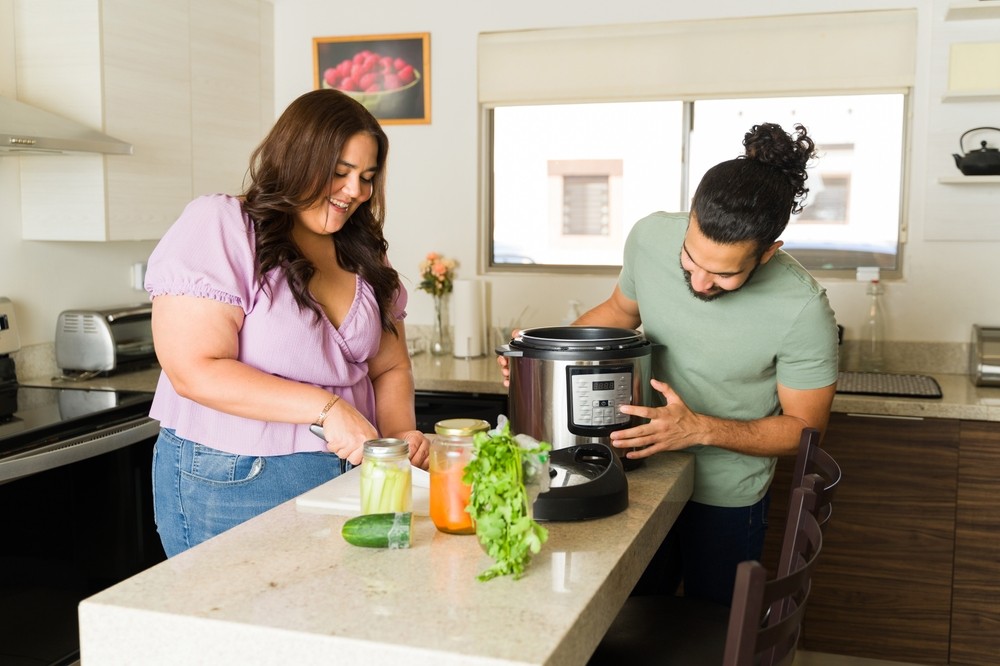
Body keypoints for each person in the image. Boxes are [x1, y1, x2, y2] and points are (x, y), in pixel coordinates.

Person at [498, 122, 839, 605]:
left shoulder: (803, 308)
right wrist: (540, 359)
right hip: (641, 475)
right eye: (690, 261)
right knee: (625, 616)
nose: (700, 284)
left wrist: (698, 429)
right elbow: (618, 313)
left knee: (712, 629)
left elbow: (806, 429)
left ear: (767, 254)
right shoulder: (650, 236)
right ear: (690, 220)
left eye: (724, 274)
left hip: (726, 494)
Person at [144, 89, 430, 557]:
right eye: (340, 173)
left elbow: (390, 367)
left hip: (351, 479)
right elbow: (193, 369)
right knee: (233, 623)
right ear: (296, 158)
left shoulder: (362, 253)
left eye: (367, 177)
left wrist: (398, 439)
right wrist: (327, 409)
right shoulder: (223, 225)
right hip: (235, 480)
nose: (356, 190)